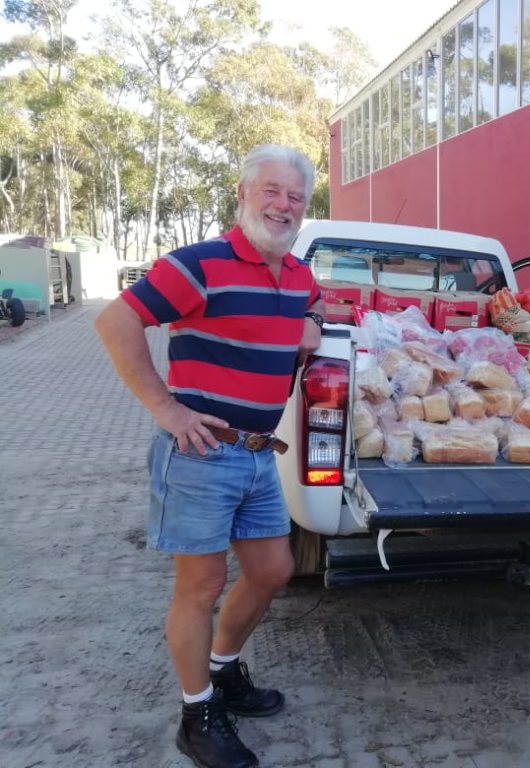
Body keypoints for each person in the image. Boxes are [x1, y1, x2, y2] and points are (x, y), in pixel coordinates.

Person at [95, 145, 326, 768]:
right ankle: (195, 714)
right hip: (199, 453)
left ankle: (222, 671)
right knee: (201, 587)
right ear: (244, 195)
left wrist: (314, 325)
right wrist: (166, 409)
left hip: (257, 456)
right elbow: (117, 323)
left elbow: (312, 307)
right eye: (271, 191)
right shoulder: (199, 264)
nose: (282, 205)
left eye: (295, 197)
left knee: (274, 569)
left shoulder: (299, 274)